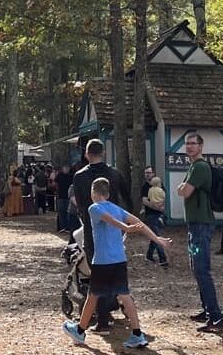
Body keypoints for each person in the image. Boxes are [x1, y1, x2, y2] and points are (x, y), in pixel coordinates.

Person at [61, 177, 171, 349]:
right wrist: (156, 239)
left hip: (103, 261)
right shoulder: (117, 208)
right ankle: (137, 334)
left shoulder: (94, 207)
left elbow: (107, 219)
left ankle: (80, 331)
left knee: (92, 296)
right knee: (124, 296)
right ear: (108, 193)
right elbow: (139, 223)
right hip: (119, 260)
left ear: (93, 192)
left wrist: (125, 228)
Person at [70, 139, 125, 330]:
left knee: (97, 272)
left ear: (86, 154)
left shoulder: (79, 176)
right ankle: (119, 305)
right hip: (115, 228)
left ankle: (102, 318)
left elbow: (78, 204)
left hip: (92, 229)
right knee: (116, 268)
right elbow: (127, 199)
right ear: (103, 153)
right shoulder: (115, 174)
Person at [177, 133, 223, 331]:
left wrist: (183, 187)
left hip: (201, 226)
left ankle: (217, 317)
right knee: (196, 269)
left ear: (201, 146)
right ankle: (206, 310)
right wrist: (183, 187)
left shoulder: (200, 167)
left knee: (202, 270)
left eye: (193, 144)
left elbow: (184, 191)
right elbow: (183, 189)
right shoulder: (193, 167)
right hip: (194, 226)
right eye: (187, 144)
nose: (189, 147)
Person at [141, 176, 168, 266]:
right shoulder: (160, 190)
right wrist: (160, 206)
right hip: (156, 213)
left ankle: (149, 255)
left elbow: (147, 199)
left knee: (155, 236)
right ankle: (162, 258)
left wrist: (153, 204)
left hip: (154, 213)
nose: (148, 174)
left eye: (149, 173)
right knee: (157, 236)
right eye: (146, 173)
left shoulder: (150, 190)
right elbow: (164, 197)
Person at [55, 165, 73, 233]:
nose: (66, 169)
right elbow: (55, 184)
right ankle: (62, 227)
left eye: (67, 168)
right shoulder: (59, 175)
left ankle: (68, 227)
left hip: (68, 197)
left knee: (68, 212)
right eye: (65, 167)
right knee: (61, 212)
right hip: (60, 196)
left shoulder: (71, 176)